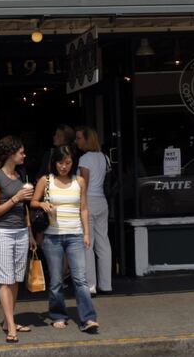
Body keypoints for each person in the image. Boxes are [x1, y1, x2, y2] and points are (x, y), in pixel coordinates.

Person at [30, 145, 99, 332]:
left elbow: (83, 208)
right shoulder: (46, 180)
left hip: (75, 234)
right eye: (60, 162)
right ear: (54, 163)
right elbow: (32, 202)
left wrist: (86, 233)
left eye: (68, 162)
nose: (64, 166)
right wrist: (42, 204)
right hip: (52, 237)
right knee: (56, 280)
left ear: (73, 163)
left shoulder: (80, 181)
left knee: (80, 279)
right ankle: (58, 314)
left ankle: (88, 318)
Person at [0, 135, 35, 344]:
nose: (24, 155)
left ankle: (8, 321)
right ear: (11, 154)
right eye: (21, 152)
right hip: (2, 234)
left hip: (21, 233)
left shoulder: (20, 175)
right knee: (5, 280)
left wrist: (30, 233)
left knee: (16, 279)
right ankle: (11, 327)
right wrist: (16, 198)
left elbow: (24, 210)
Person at [75, 126, 113, 295]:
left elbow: (84, 183)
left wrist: (80, 204)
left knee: (87, 243)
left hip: (88, 201)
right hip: (102, 201)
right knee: (103, 242)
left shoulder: (85, 159)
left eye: (79, 138)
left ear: (86, 139)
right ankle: (106, 285)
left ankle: (90, 286)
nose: (77, 141)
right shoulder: (104, 157)